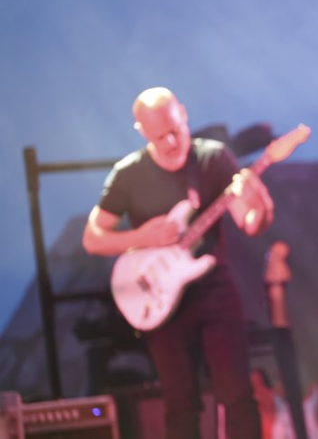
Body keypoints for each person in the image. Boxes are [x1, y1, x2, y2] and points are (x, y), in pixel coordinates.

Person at [83, 87, 273, 439]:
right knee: (180, 402)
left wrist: (259, 201)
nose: (172, 141)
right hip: (159, 298)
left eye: (176, 129)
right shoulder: (128, 174)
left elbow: (249, 223)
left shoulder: (213, 158)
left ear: (184, 114)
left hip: (214, 290)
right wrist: (141, 238)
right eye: (160, 136)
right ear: (141, 131)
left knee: (237, 394)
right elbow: (93, 238)